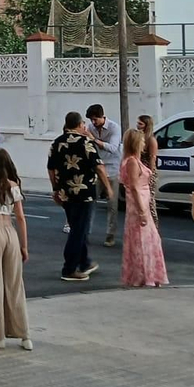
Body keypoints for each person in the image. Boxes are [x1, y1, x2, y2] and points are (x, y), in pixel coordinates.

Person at [49, 111, 109, 281]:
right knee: (78, 231)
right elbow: (99, 166)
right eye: (83, 123)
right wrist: (108, 188)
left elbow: (51, 168)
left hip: (65, 194)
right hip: (84, 193)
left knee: (77, 227)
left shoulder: (57, 143)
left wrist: (55, 188)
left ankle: (85, 262)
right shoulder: (86, 142)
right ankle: (69, 268)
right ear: (79, 124)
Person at [0, 147, 32, 346]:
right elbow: (20, 217)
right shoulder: (13, 186)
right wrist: (24, 246)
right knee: (14, 284)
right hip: (10, 232)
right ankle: (24, 334)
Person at [119, 129, 168, 289]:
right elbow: (133, 186)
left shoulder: (133, 160)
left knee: (149, 240)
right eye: (141, 141)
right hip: (138, 203)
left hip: (142, 201)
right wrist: (142, 211)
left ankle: (150, 275)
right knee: (143, 241)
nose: (144, 143)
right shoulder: (132, 161)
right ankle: (144, 275)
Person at [85, 104, 123, 247]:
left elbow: (113, 148)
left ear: (102, 116)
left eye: (96, 119)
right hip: (97, 168)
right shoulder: (90, 128)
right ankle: (86, 232)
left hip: (112, 169)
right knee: (90, 201)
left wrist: (93, 139)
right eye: (92, 120)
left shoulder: (114, 128)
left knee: (112, 204)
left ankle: (110, 235)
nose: (93, 123)